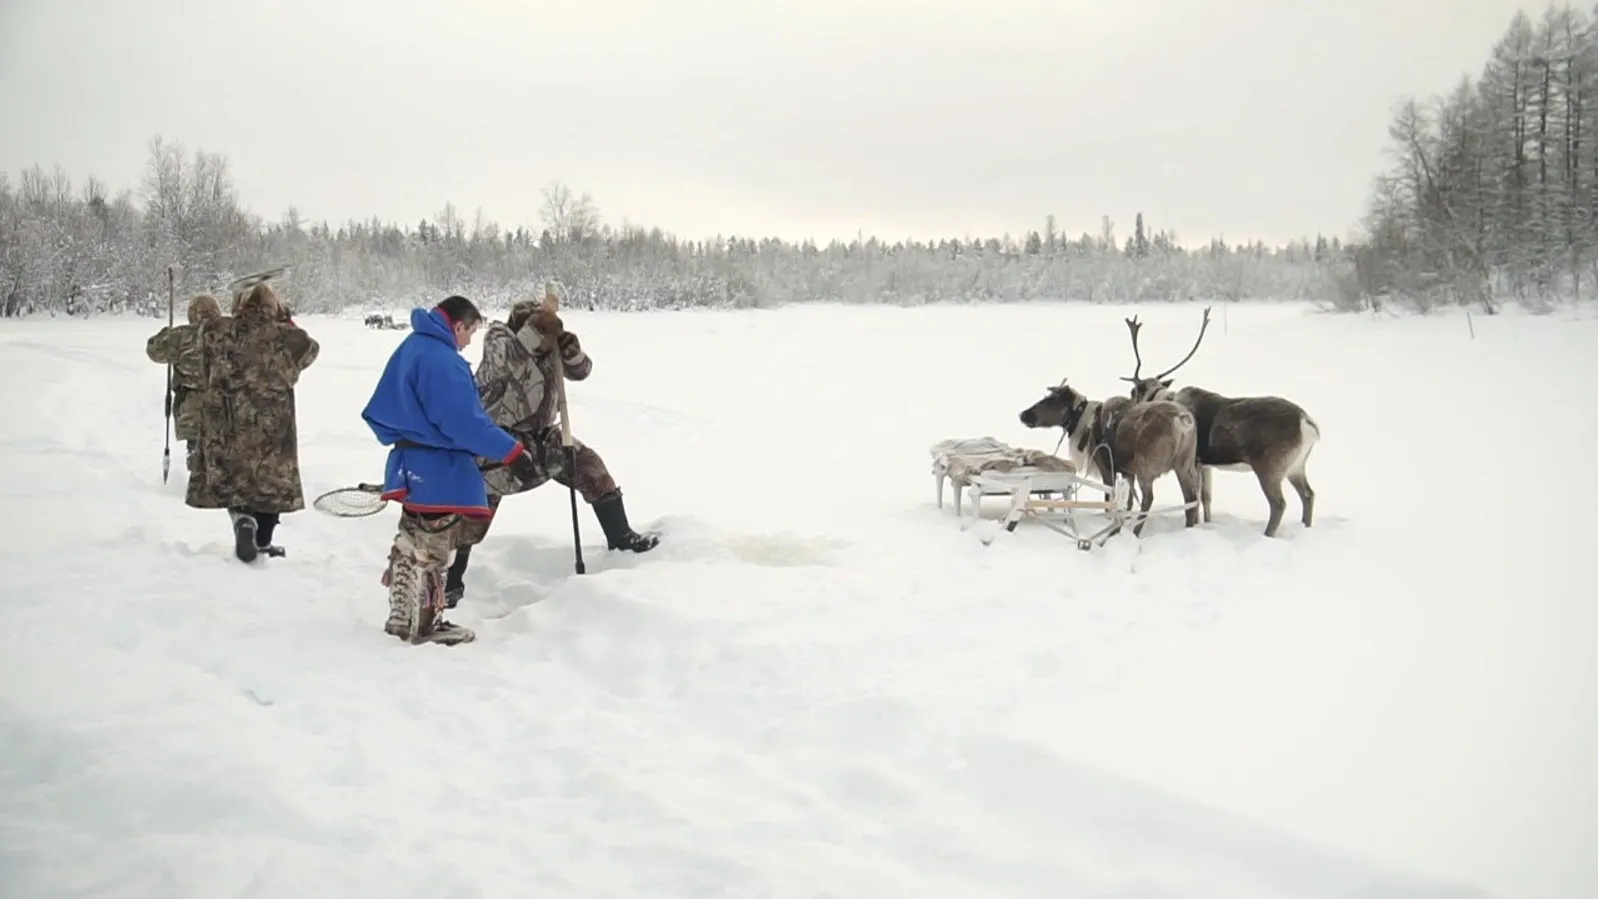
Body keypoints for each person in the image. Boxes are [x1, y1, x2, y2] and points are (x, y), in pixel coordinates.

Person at [442, 297, 658, 608]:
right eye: (540, 332)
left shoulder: (550, 349)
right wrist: (536, 331)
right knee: (474, 515)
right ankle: (450, 580)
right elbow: (508, 361)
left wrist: (571, 352)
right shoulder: (499, 341)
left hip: (544, 438)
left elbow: (582, 371)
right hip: (498, 441)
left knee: (591, 469)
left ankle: (621, 537)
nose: (546, 341)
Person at [361, 294, 534, 646]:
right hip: (439, 469)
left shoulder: (411, 347)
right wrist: (513, 452)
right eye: (470, 332)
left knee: (410, 538)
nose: (469, 341)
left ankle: (401, 615)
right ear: (458, 325)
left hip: (407, 463)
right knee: (435, 547)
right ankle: (426, 624)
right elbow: (464, 424)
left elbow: (380, 409)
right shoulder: (443, 361)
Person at [185, 281, 319, 562]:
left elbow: (203, 354)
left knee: (232, 478)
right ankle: (262, 541)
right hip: (271, 429)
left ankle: (243, 519)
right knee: (270, 484)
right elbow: (310, 349)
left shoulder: (216, 332)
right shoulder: (286, 338)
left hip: (226, 425)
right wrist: (285, 321)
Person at [145, 294, 223, 476]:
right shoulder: (228, 334)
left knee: (196, 453)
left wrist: (167, 334)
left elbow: (153, 350)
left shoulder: (181, 336)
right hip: (224, 409)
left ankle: (196, 479)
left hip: (191, 410)